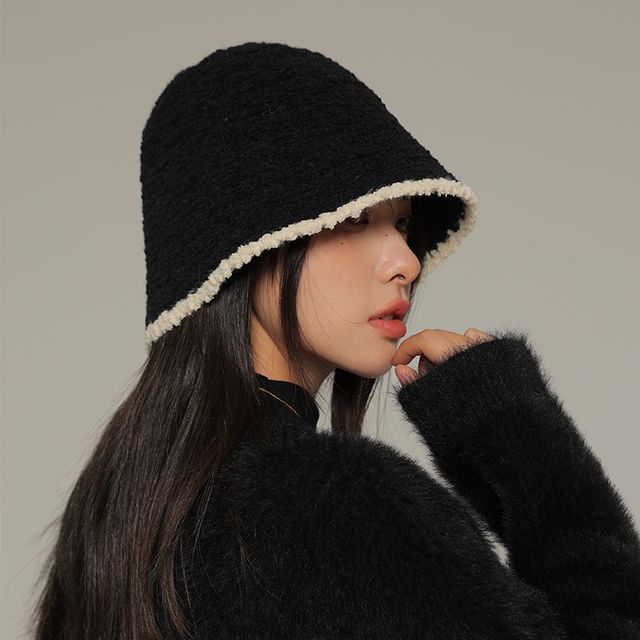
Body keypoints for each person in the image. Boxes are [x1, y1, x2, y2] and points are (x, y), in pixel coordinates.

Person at [30, 41, 640, 640]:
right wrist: (514, 433)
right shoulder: (337, 506)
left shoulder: (119, 520)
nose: (407, 261)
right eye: (354, 218)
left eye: (403, 224)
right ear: (249, 246)